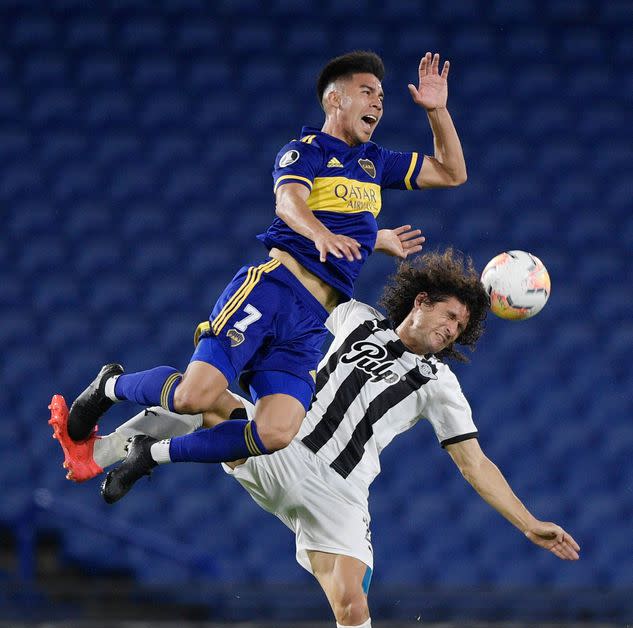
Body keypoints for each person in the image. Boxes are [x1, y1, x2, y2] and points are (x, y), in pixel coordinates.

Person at [49, 249, 580, 628]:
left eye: (461, 328)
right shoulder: (351, 317)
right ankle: (100, 445)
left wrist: (528, 522)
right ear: (420, 301)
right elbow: (307, 279)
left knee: (353, 604)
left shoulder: (439, 384)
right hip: (283, 440)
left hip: (340, 494)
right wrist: (370, 243)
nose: (450, 330)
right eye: (448, 315)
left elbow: (474, 464)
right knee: (203, 393)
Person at [62, 50, 467, 479]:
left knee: (276, 431)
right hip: (272, 288)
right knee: (193, 397)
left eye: (382, 97)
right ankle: (108, 385)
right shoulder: (303, 152)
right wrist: (319, 234)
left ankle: (150, 454)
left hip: (313, 319)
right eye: (366, 92)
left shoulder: (375, 162)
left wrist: (437, 111)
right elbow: (288, 201)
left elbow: (452, 173)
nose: (378, 103)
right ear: (334, 100)